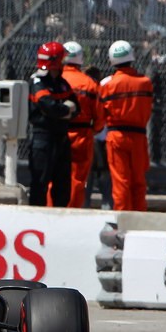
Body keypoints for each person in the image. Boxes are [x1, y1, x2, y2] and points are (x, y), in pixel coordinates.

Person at [99, 40, 153, 212]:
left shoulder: (107, 85)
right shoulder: (145, 82)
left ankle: (122, 221)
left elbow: (100, 116)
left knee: (120, 182)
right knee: (139, 182)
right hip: (139, 137)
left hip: (116, 136)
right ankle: (139, 220)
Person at [28, 41, 79, 207]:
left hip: (61, 138)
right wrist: (65, 110)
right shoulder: (37, 82)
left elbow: (76, 107)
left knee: (63, 185)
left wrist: (61, 111)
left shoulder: (62, 83)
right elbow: (48, 106)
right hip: (43, 138)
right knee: (40, 183)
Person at [62, 42, 103, 208]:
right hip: (82, 134)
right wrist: (93, 130)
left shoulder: (55, 79)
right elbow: (99, 117)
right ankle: (71, 213)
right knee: (77, 179)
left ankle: (51, 213)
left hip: (56, 133)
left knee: (54, 176)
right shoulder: (90, 84)